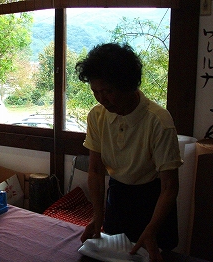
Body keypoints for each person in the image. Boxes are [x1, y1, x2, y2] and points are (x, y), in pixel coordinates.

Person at [75, 43, 183, 261]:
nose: (101, 99)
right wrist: (97, 215)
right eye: (95, 92)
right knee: (115, 255)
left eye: (108, 91)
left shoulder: (158, 121)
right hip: (118, 196)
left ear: (128, 86)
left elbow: (170, 186)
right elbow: (95, 170)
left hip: (153, 200)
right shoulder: (97, 116)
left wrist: (152, 228)